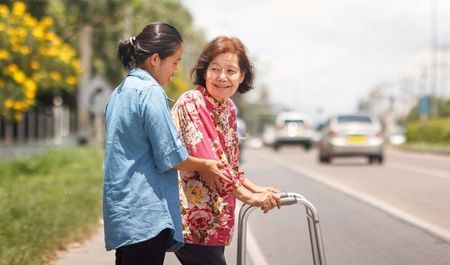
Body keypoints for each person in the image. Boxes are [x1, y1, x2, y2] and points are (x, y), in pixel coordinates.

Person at [103, 23, 229, 265]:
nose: (175, 70)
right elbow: (172, 156)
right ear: (155, 59)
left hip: (123, 214)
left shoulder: (120, 91)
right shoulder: (150, 92)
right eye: (175, 61)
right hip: (146, 216)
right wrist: (207, 164)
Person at [172, 36, 281, 265]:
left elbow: (229, 165)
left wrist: (257, 188)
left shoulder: (228, 108)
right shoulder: (192, 102)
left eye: (230, 71)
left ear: (241, 76)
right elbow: (211, 164)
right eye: (215, 69)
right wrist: (250, 197)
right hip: (192, 219)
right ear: (204, 72)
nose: (222, 77)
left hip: (218, 216)